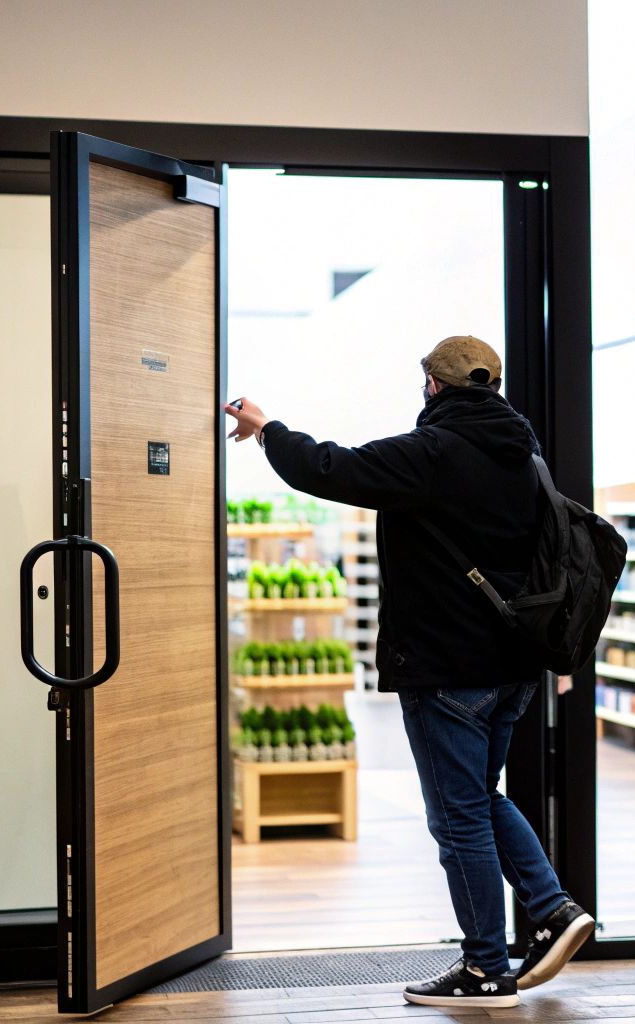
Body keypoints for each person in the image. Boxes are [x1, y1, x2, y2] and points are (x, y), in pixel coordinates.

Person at [223, 336, 594, 1009]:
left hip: (448, 670)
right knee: (482, 799)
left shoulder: (434, 453)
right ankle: (553, 908)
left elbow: (330, 468)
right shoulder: (527, 457)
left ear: (433, 385)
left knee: (459, 820)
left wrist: (266, 427)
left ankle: (486, 969)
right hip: (513, 668)